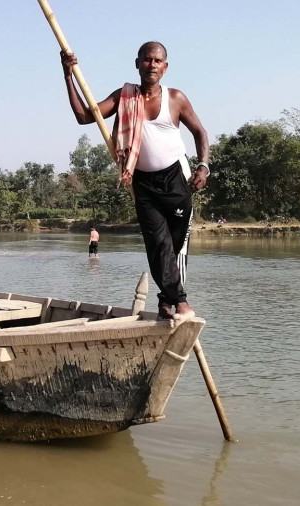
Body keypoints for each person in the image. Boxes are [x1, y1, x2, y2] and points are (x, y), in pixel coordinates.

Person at [61, 41, 210, 320]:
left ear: (164, 68)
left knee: (176, 247)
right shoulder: (124, 97)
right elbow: (84, 116)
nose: (151, 65)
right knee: (157, 246)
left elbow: (200, 133)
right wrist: (68, 75)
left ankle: (167, 303)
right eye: (146, 59)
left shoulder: (175, 98)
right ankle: (179, 301)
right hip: (142, 181)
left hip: (176, 179)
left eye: (157, 61)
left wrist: (203, 167)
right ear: (137, 63)